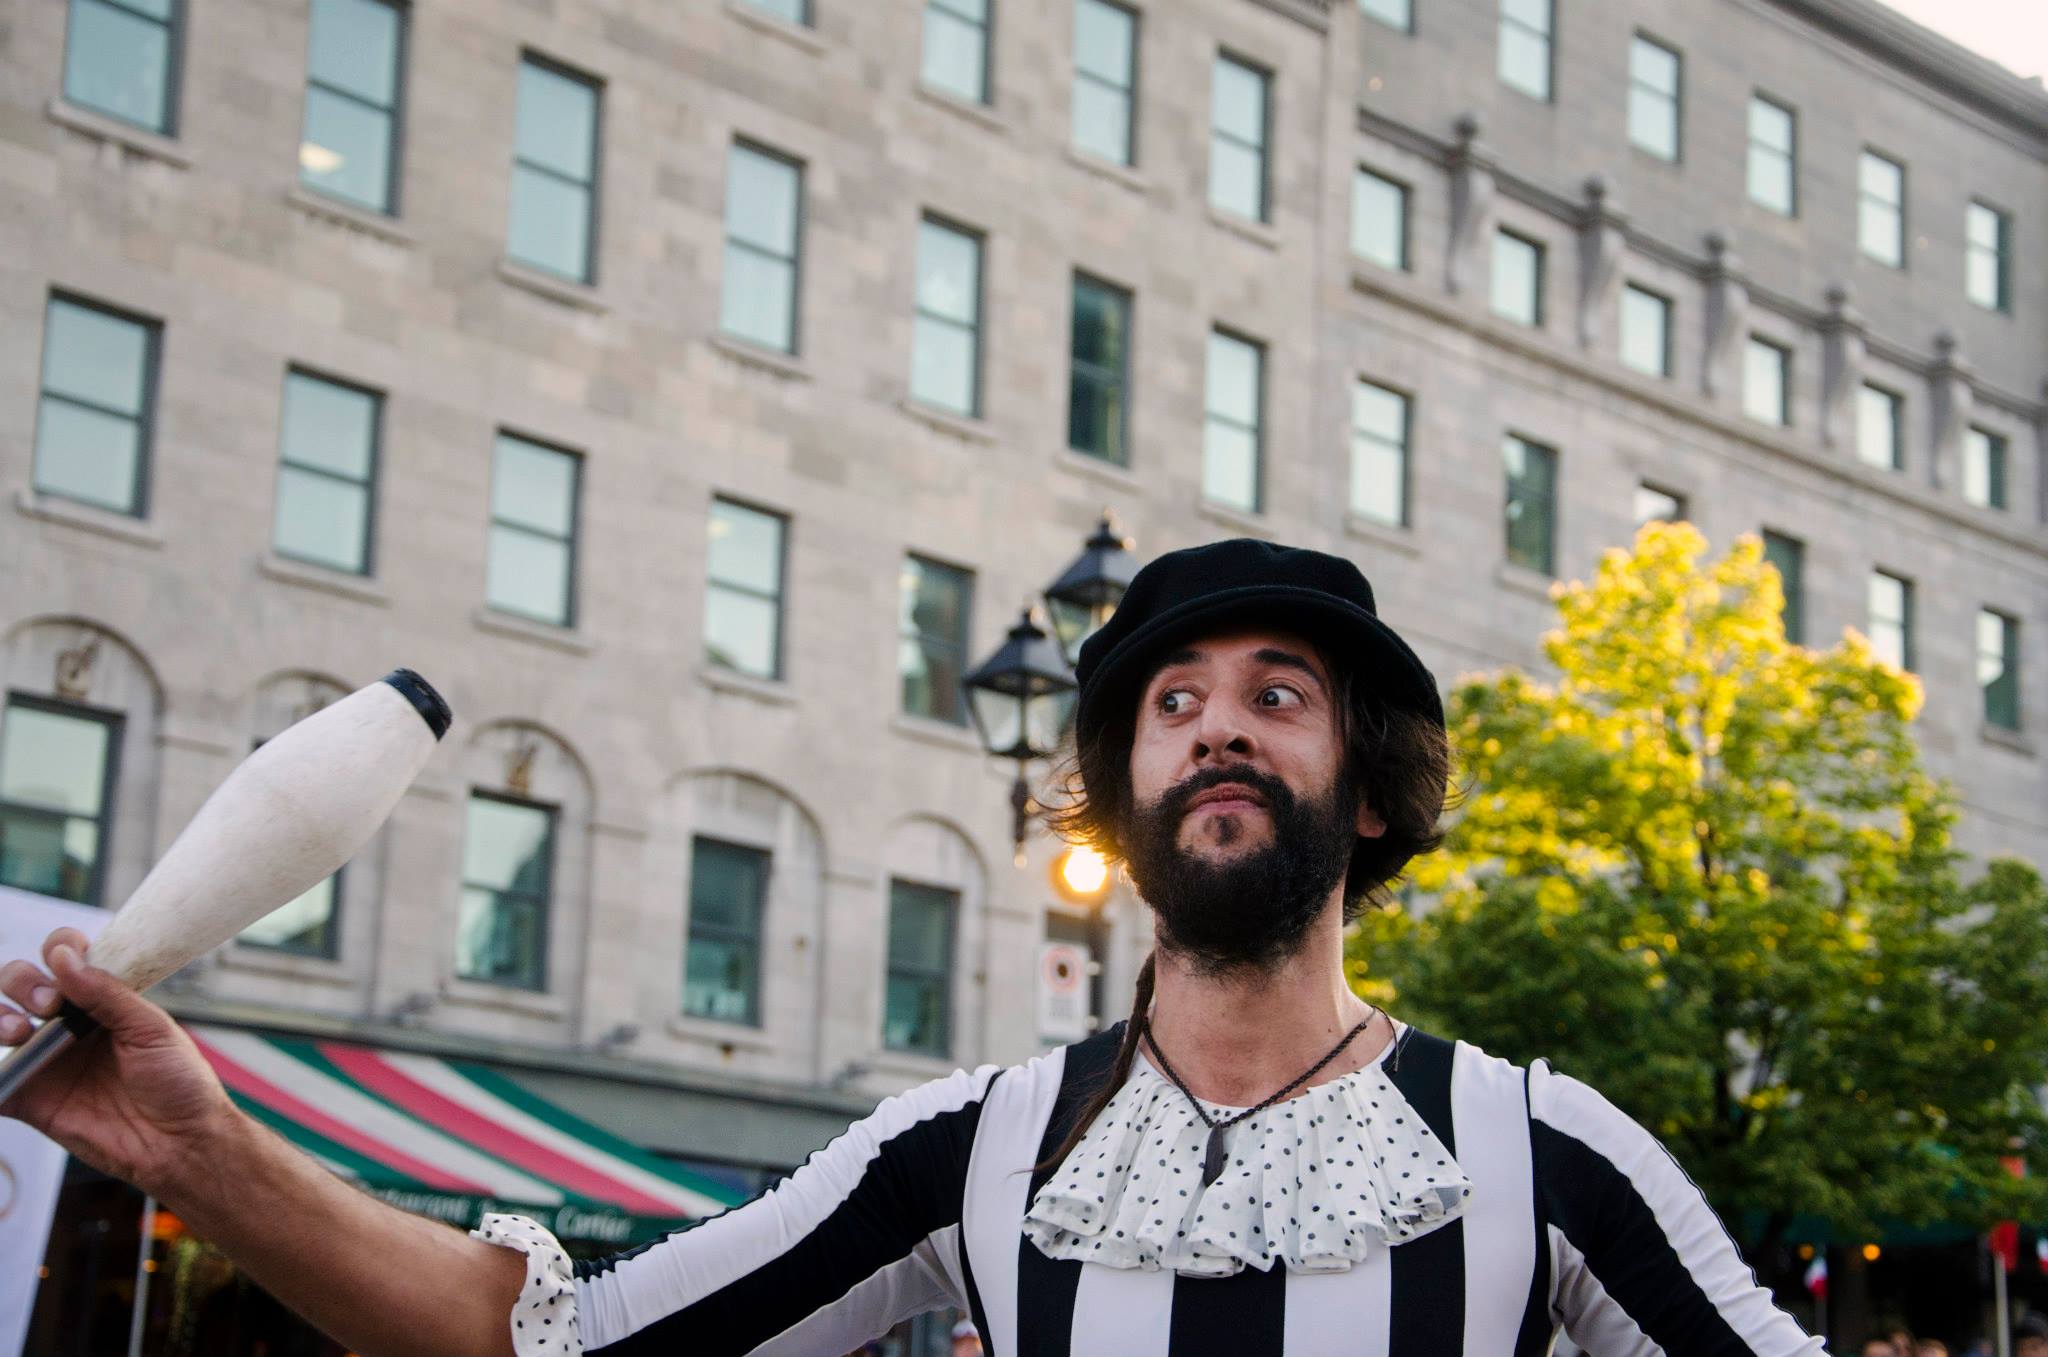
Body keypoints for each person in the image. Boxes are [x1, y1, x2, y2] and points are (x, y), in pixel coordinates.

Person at [1, 540, 1830, 1356]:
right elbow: (545, 1345)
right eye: (1172, 701)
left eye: (1279, 696)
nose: (1218, 727)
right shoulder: (971, 1154)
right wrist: (195, 1148)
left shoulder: (1547, 1152)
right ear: (1115, 796)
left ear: (1366, 796)